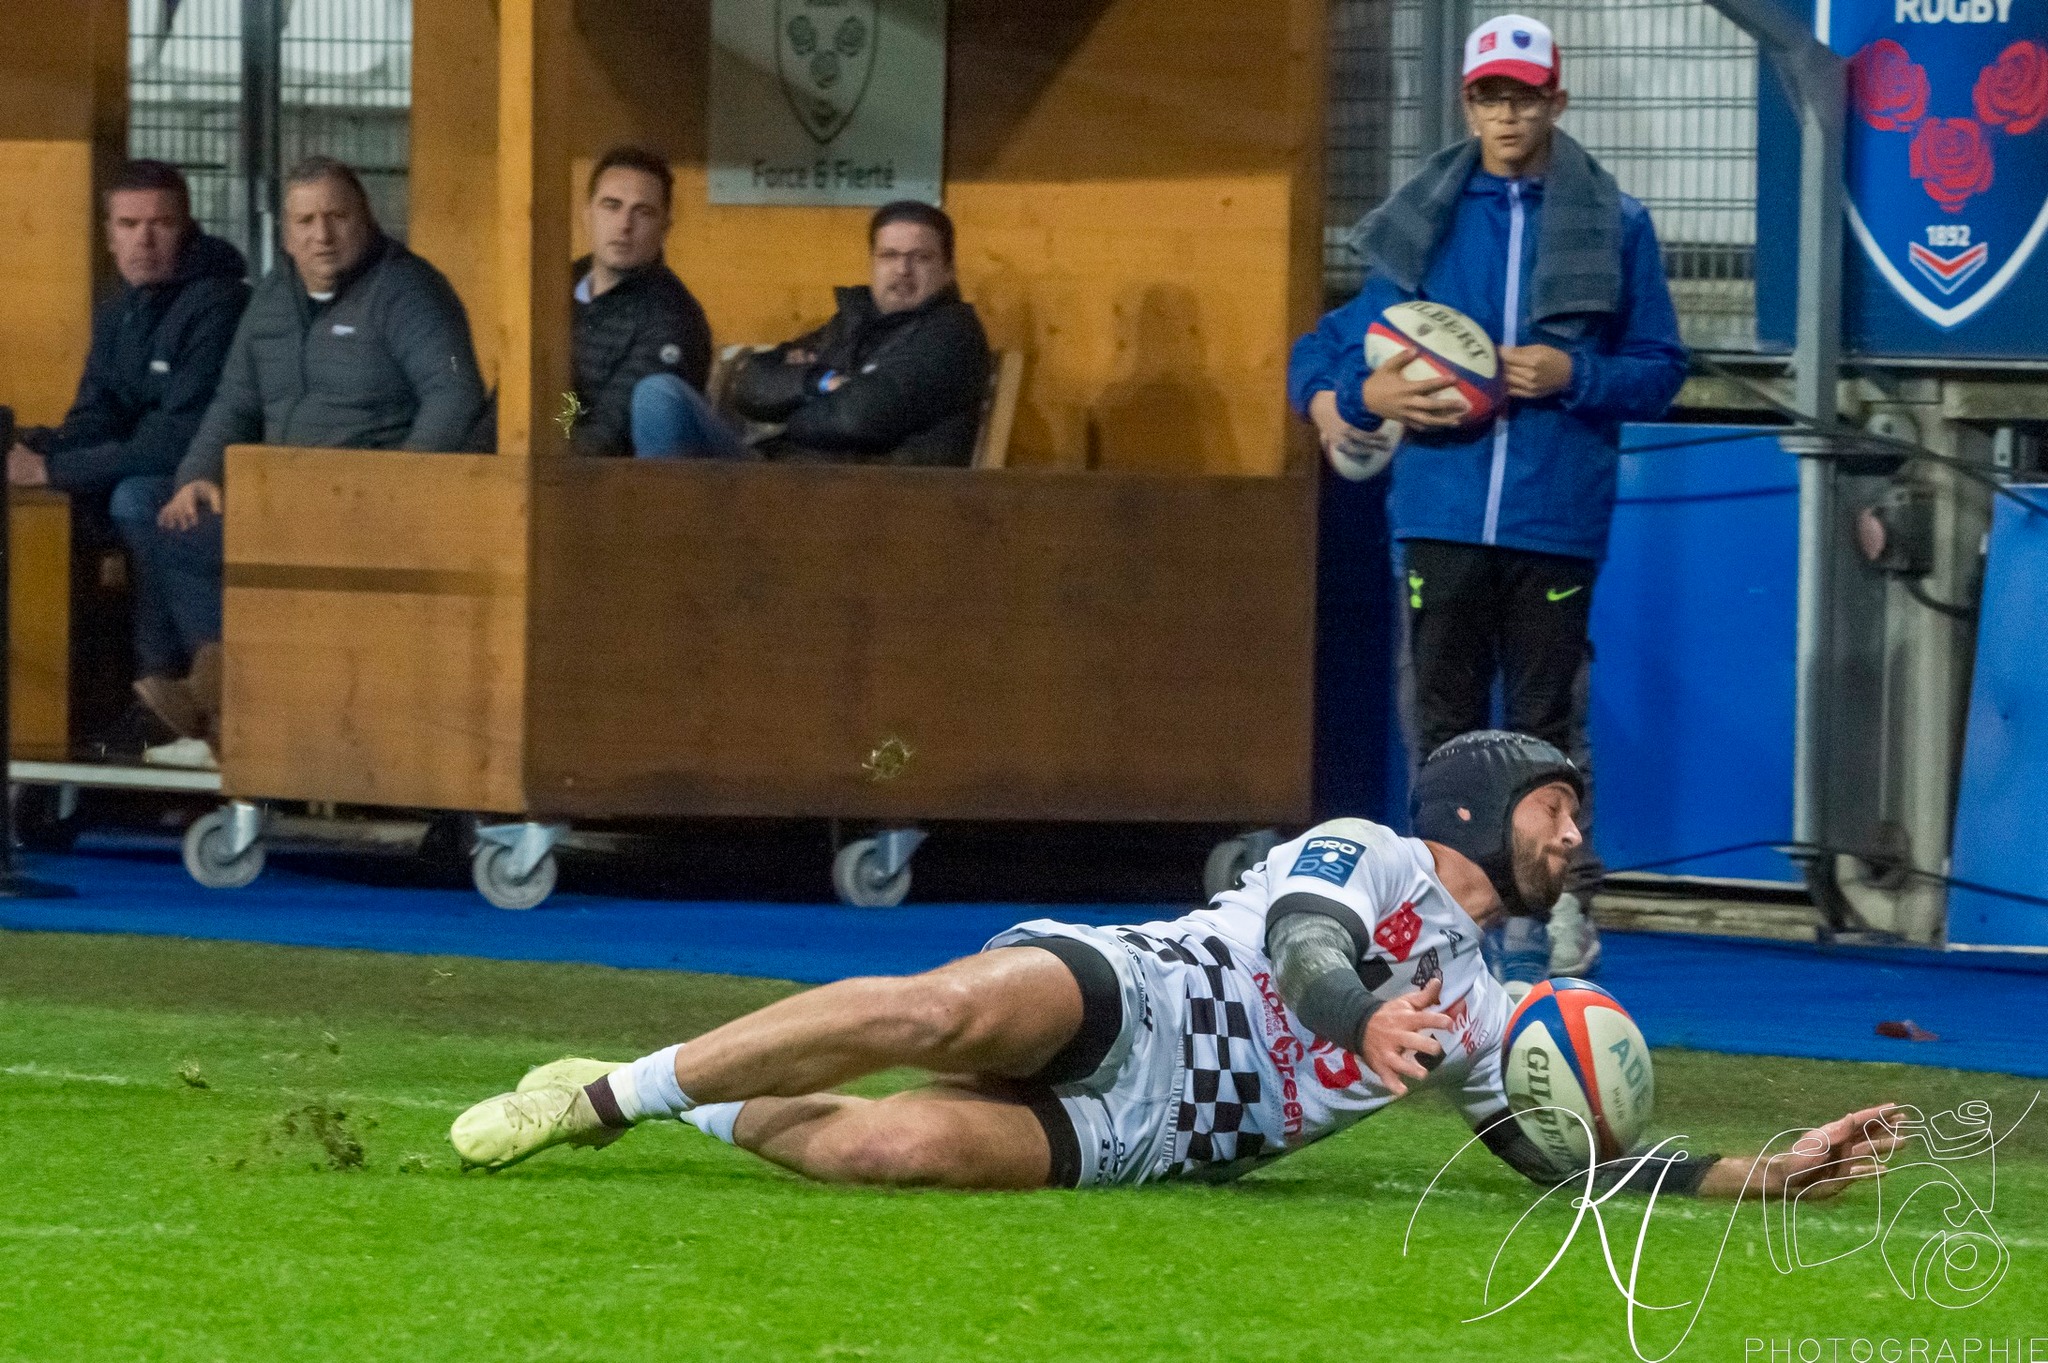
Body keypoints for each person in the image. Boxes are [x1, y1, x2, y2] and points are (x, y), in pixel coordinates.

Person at [450, 731, 1892, 1202]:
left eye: (1579, 814)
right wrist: (1372, 1017)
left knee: (891, 1145)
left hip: (1156, 1133)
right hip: (1143, 988)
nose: (1575, 831)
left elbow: (1560, 1155)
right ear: (1469, 804)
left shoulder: (1498, 1013)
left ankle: (684, 1103)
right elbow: (1305, 951)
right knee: (934, 1006)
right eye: (1554, 805)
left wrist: (1765, 1169)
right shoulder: (1370, 850)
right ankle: (604, 1097)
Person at [1318, 14, 1689, 981]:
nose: (1509, 113)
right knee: (1439, 728)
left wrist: (1574, 371)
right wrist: (1367, 395)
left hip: (1555, 517)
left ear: (1557, 102)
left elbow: (1659, 369)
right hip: (1438, 512)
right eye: (1491, 95)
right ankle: (1446, 922)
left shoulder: (1619, 224)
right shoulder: (1422, 222)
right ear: (1468, 103)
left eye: (1526, 96)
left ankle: (1557, 915)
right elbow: (1330, 354)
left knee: (1544, 728)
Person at [119, 155, 487, 768]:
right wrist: (197, 478)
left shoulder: (408, 289)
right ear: (284, 234)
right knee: (168, 517)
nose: (322, 234)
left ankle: (221, 706)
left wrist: (402, 489)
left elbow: (456, 393)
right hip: (279, 503)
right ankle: (217, 704)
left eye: (337, 216)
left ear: (365, 219)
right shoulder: (269, 301)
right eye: (306, 220)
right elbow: (233, 404)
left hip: (370, 509)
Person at [3, 161, 250, 748]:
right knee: (72, 507)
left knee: (137, 498)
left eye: (160, 224)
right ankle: (128, 705)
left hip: (219, 482)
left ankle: (184, 691)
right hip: (144, 482)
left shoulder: (218, 304)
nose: (144, 239)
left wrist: (54, 468)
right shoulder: (121, 310)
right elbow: (97, 414)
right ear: (109, 234)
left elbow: (179, 437)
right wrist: (42, 447)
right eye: (129, 224)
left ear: (186, 227)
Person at [636, 201, 990, 465]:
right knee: (658, 397)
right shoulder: (851, 323)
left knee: (659, 398)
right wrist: (819, 383)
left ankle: (664, 542)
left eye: (921, 258)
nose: (902, 270)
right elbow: (750, 382)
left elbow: (857, 418)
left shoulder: (951, 335)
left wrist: (793, 411)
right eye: (888, 255)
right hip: (786, 484)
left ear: (948, 271)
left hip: (863, 506)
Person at [568, 146, 713, 457]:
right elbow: (531, 400)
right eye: (612, 206)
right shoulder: (554, 287)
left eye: (643, 212)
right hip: (553, 464)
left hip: (625, 489)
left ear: (665, 228)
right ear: (587, 215)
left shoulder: (673, 316)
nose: (624, 225)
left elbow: (610, 436)